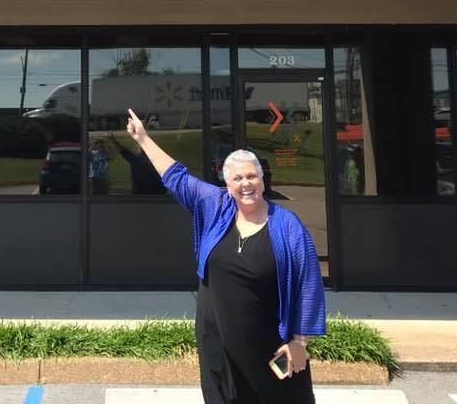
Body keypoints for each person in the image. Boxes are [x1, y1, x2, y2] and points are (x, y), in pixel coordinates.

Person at [126, 108, 325, 404]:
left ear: (262, 179)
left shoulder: (287, 226)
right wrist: (142, 138)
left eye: (252, 176)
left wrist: (299, 342)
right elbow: (176, 176)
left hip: (268, 344)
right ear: (227, 183)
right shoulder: (215, 206)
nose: (246, 184)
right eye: (238, 178)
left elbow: (308, 284)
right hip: (217, 340)